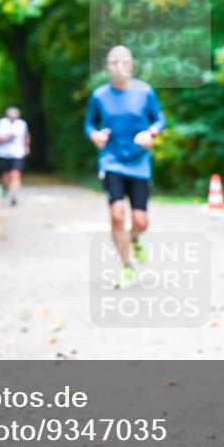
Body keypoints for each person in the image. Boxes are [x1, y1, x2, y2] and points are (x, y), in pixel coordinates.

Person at [84, 45, 165, 287]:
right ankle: (126, 265)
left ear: (131, 65)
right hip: (111, 162)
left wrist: (151, 133)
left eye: (124, 62)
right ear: (107, 67)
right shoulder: (99, 96)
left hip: (139, 163)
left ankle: (134, 238)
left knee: (140, 222)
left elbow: (160, 119)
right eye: (113, 62)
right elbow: (89, 125)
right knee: (117, 214)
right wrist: (94, 136)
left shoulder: (145, 92)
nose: (119, 67)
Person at [0, 107, 30, 206]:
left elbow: (26, 136)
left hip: (17, 153)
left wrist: (26, 146)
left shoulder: (22, 124)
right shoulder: (1, 123)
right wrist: (6, 138)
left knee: (15, 174)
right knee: (6, 175)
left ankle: (14, 196)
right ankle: (5, 187)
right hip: (3, 153)